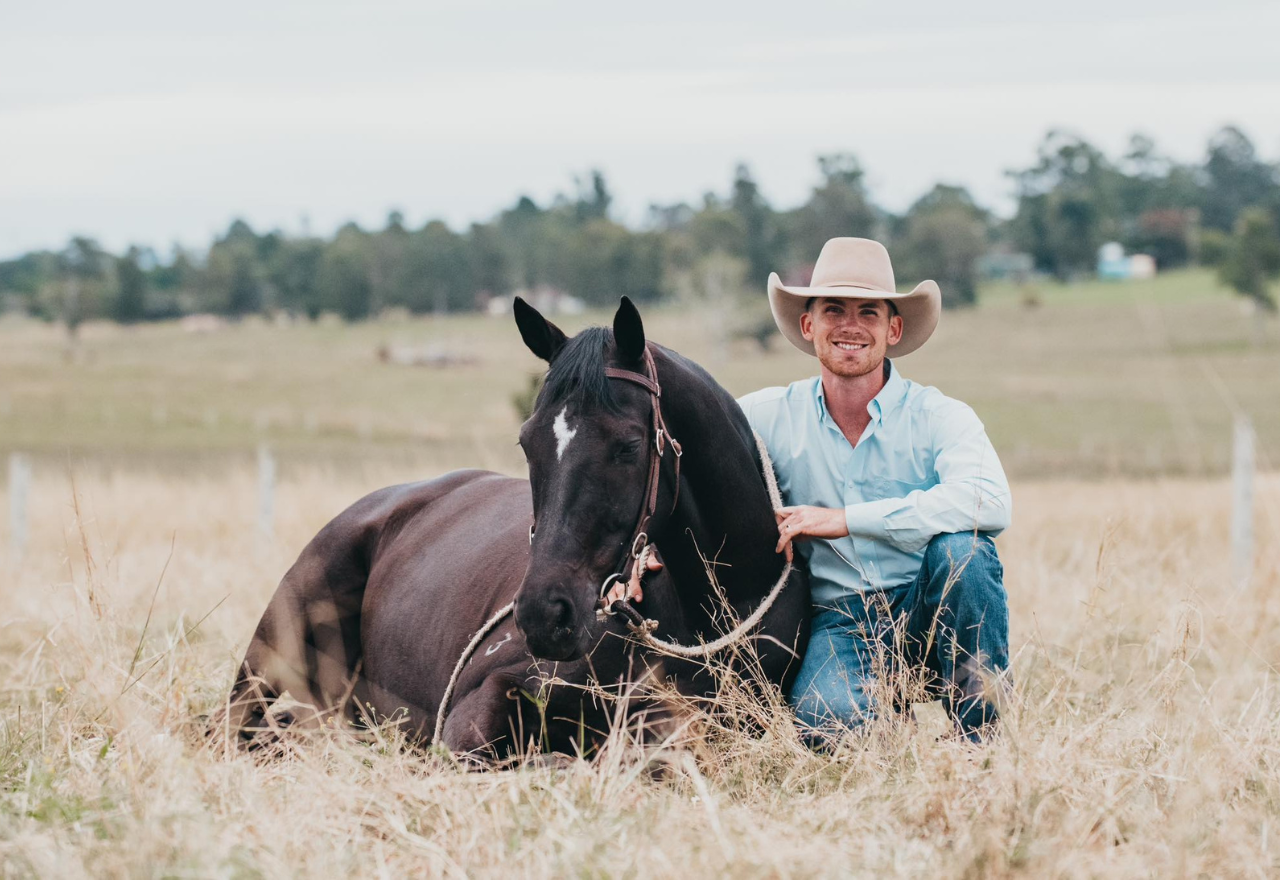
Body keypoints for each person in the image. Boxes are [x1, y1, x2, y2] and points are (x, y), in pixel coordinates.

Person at [613, 237, 1012, 744]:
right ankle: (878, 722)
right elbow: (681, 475)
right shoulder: (761, 416)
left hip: (928, 604)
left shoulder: (941, 416)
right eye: (833, 310)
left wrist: (845, 518)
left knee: (965, 552)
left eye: (869, 311)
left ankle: (982, 745)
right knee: (828, 728)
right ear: (809, 325)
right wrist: (648, 551)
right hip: (839, 621)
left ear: (893, 328)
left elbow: (989, 501)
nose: (851, 325)